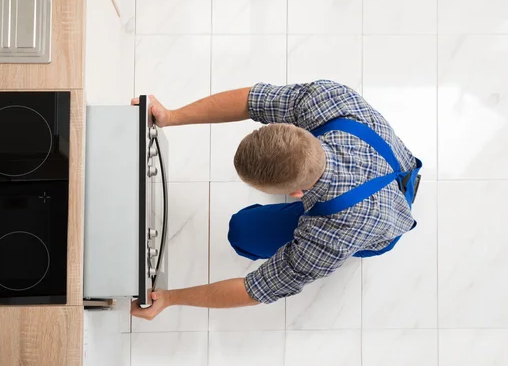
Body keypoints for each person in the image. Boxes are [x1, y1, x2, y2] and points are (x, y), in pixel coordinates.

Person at [130, 80, 421, 320]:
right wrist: (171, 116)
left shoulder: (333, 235)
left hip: (381, 219)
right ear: (293, 127)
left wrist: (169, 298)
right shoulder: (330, 100)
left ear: (298, 193)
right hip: (384, 162)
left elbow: (255, 288)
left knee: (243, 232)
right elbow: (250, 100)